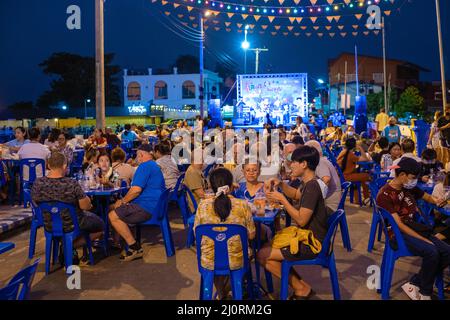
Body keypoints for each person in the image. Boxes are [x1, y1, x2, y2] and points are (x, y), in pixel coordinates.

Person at [258, 146, 331, 300]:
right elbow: (296, 195)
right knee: (266, 247)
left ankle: (301, 288)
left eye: (294, 162)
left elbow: (301, 219)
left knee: (262, 255)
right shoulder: (310, 182)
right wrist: (281, 184)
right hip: (310, 237)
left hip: (312, 243)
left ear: (304, 164)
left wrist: (282, 199)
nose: (291, 165)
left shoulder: (312, 187)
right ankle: (301, 285)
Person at [376, 157, 450, 300]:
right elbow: (399, 225)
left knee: (447, 251)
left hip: (414, 228)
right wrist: (424, 240)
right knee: (432, 251)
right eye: (412, 177)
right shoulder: (385, 195)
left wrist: (437, 200)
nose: (414, 180)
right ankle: (425, 292)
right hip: (397, 234)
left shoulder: (408, 187)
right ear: (402, 175)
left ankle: (416, 282)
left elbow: (427, 197)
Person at [31, 152, 104, 264]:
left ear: (48, 165)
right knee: (101, 227)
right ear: (65, 166)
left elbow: (35, 202)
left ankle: (65, 245)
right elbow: (85, 206)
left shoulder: (37, 183)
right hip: (73, 223)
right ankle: (68, 246)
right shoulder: (71, 183)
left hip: (48, 223)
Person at [193, 167, 255, 299]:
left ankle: (222, 293)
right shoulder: (242, 205)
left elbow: (196, 233)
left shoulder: (202, 205)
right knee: (242, 251)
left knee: (213, 254)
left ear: (211, 186)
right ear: (231, 184)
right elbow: (251, 235)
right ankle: (234, 289)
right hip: (237, 260)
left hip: (209, 259)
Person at [109, 144, 166, 261]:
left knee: (112, 215)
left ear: (141, 154)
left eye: (137, 155)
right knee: (113, 208)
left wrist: (123, 201)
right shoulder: (154, 165)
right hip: (156, 206)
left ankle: (134, 247)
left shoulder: (144, 166)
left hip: (146, 208)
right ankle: (124, 241)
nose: (136, 157)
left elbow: (136, 190)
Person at [305, 140, 342, 211]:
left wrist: (316, 195)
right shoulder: (323, 160)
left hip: (329, 205)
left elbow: (326, 179)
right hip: (332, 202)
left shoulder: (320, 162)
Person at [337, 138, 371, 205]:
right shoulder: (350, 155)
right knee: (366, 176)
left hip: (340, 176)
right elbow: (365, 159)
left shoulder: (343, 152)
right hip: (346, 176)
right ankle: (367, 198)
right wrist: (360, 148)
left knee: (358, 173)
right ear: (354, 146)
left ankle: (358, 199)